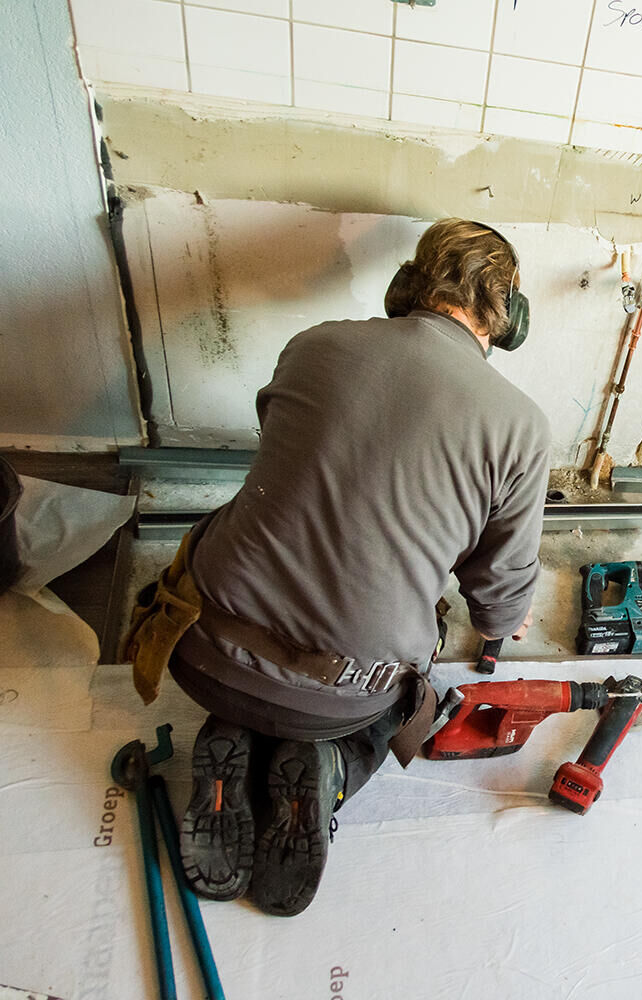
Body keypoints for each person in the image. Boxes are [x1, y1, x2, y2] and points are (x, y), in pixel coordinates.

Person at [125, 218, 550, 915]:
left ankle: (230, 735)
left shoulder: (313, 345)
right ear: (508, 321)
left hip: (200, 649)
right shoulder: (521, 425)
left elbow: (289, 450)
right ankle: (330, 764)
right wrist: (506, 610)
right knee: (412, 652)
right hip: (342, 694)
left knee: (241, 559)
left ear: (403, 288)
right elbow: (499, 601)